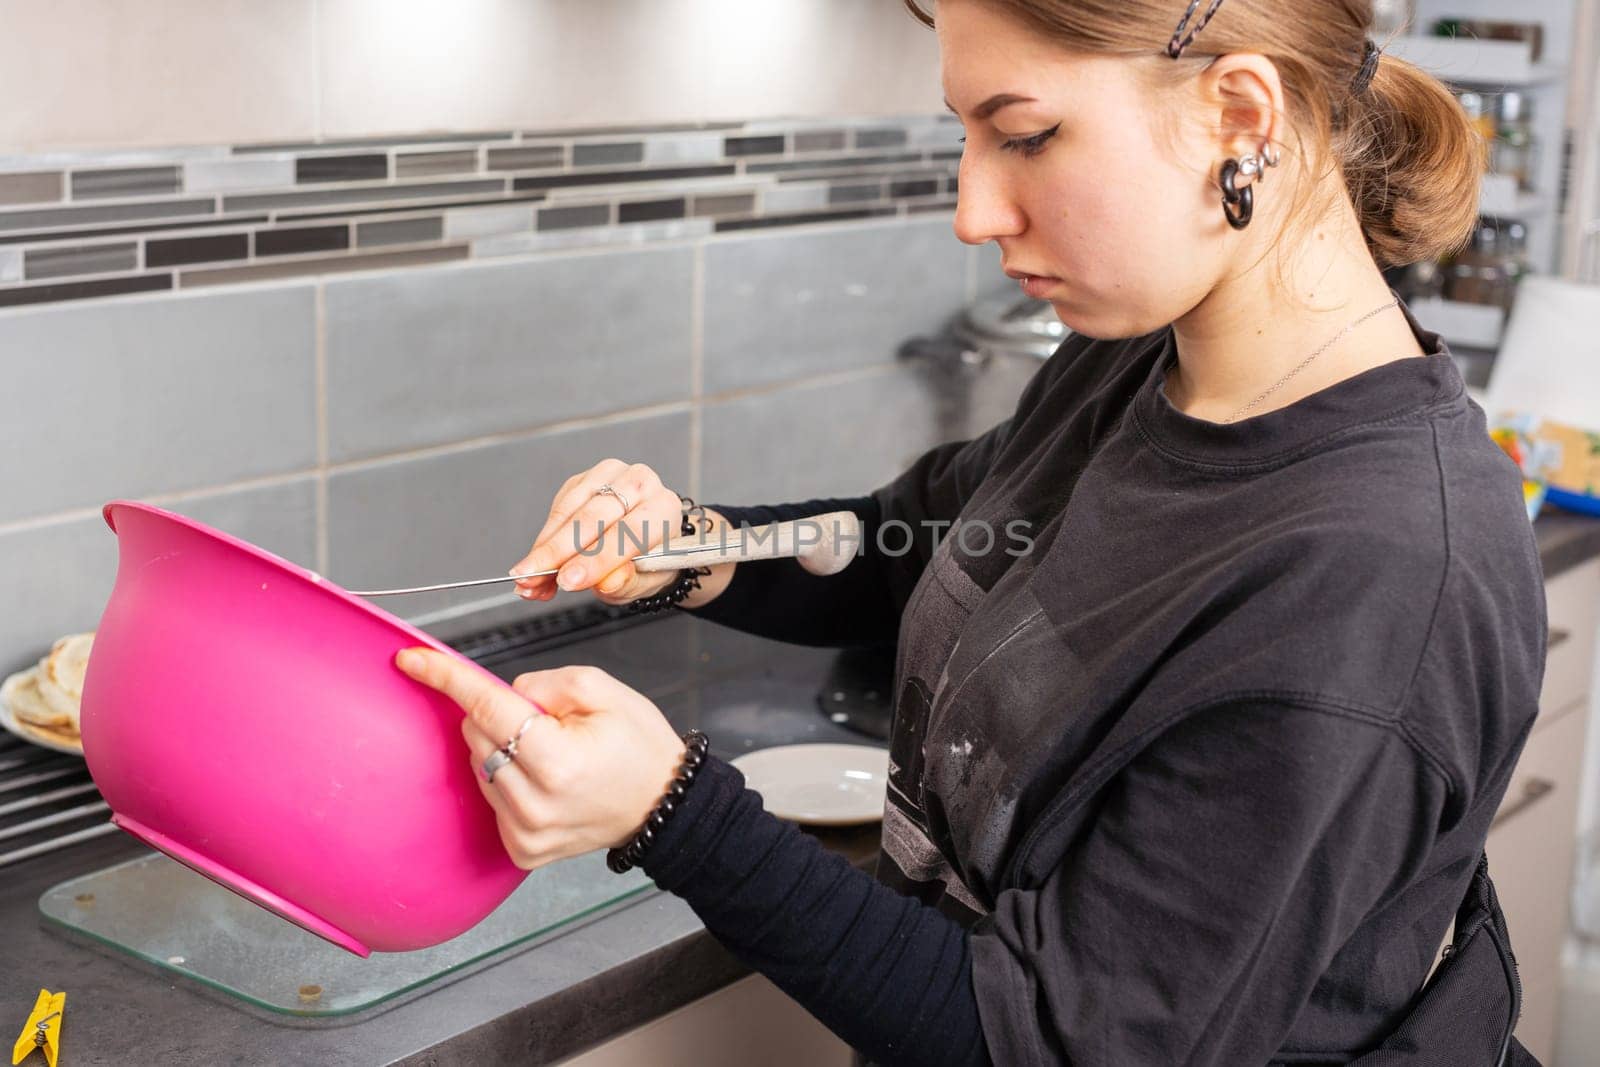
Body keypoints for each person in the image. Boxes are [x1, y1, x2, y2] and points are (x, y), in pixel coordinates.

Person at [395, 1, 1549, 1062]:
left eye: (1026, 134)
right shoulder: (1143, 359)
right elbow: (910, 544)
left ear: (1237, 116)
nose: (971, 211)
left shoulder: (1373, 576)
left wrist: (671, 810)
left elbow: (1052, 1040)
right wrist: (691, 546)